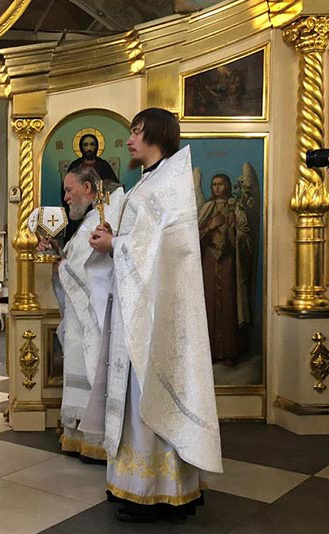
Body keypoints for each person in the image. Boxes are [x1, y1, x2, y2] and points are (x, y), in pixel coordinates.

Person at [89, 108, 222, 522]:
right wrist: (117, 240)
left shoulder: (168, 183)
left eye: (136, 131)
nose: (128, 139)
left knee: (149, 391)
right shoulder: (152, 180)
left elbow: (166, 251)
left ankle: (158, 493)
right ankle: (137, 485)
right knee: (136, 395)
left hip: (153, 310)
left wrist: (116, 245)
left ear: (156, 135)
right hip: (138, 306)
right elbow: (148, 243)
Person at [48, 166, 123, 463]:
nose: (66, 198)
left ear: (89, 188)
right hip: (82, 320)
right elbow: (78, 260)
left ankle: (95, 440)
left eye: (69, 190)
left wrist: (63, 265)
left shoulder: (107, 215)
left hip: (96, 319)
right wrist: (60, 254)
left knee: (93, 375)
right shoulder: (93, 217)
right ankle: (79, 436)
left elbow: (95, 268)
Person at [198, 173, 252, 366]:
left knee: (228, 301)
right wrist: (211, 226)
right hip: (209, 258)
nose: (217, 188)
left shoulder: (235, 207)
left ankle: (229, 351)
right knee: (210, 301)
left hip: (228, 259)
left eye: (221, 184)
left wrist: (232, 227)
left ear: (228, 186)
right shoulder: (207, 208)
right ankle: (210, 351)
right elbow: (195, 236)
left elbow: (245, 236)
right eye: (214, 184)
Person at [61, 134, 120, 246]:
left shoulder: (102, 221)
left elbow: (114, 186)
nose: (89, 148)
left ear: (87, 187)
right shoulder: (75, 165)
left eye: (92, 144)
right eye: (86, 145)